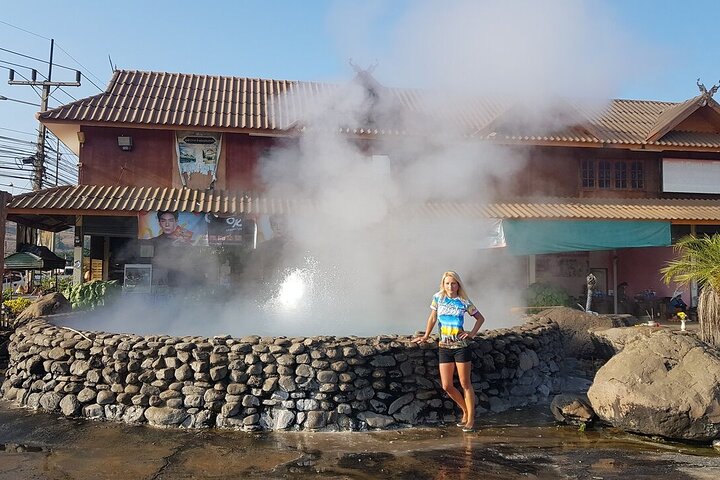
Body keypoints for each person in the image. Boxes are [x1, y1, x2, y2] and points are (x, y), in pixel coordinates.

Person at [412, 271, 486, 432]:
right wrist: (425, 336)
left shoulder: (464, 301)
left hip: (461, 347)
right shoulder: (438, 298)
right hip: (444, 347)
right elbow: (432, 318)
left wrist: (471, 334)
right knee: (446, 385)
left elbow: (480, 318)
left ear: (458, 284)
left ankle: (471, 419)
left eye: (453, 283)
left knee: (465, 383)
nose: (450, 286)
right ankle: (465, 410)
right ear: (443, 284)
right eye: (447, 283)